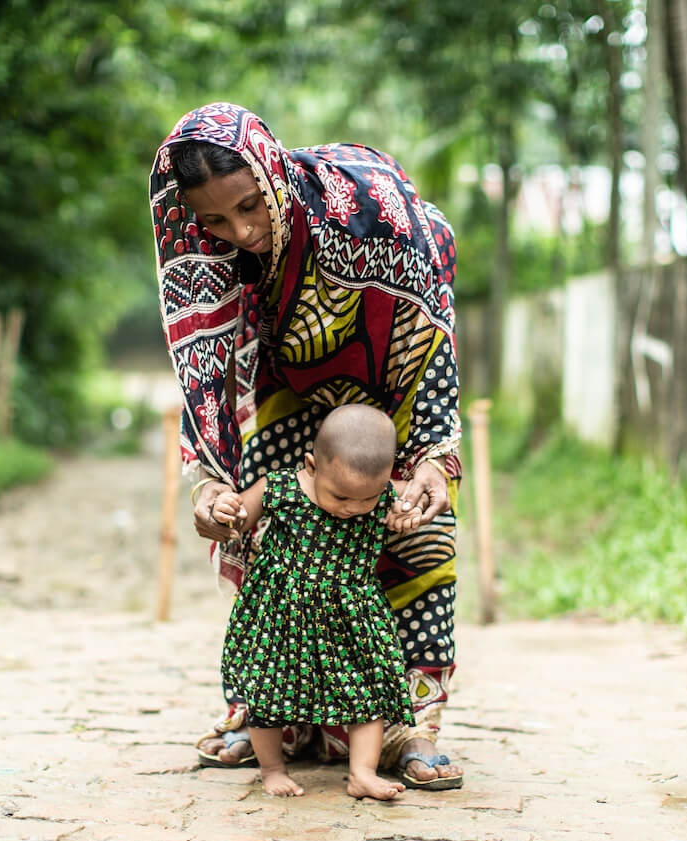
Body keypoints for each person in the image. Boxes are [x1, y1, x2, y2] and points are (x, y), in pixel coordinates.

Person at [150, 102, 464, 791]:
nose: (241, 232)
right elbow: (204, 378)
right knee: (276, 546)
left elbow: (430, 341)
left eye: (249, 207)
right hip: (279, 396)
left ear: (272, 176)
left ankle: (405, 726)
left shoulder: (374, 223)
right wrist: (211, 488)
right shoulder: (209, 257)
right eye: (215, 220)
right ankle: (274, 713)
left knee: (415, 537)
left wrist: (433, 459)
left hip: (389, 386)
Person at [210, 405, 423, 800]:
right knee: (268, 693)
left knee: (367, 694)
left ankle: (362, 773)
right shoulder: (280, 488)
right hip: (281, 615)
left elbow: (402, 514)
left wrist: (404, 518)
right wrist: (227, 512)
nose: (353, 509)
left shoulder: (384, 498)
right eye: (340, 496)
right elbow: (239, 517)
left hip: (352, 619)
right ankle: (272, 769)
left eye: (367, 499)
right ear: (311, 465)